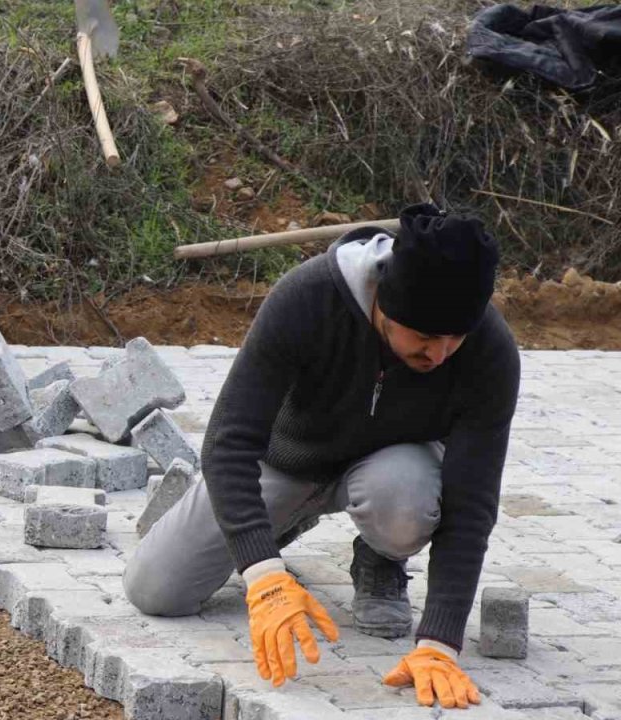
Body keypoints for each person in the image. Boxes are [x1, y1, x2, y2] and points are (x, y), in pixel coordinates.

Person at [123, 204, 520, 710]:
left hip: (391, 474)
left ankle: (381, 555)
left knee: (405, 498)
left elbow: (473, 501)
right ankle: (278, 528)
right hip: (288, 462)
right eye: (423, 337)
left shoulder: (489, 350)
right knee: (156, 590)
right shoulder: (307, 297)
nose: (440, 355)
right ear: (384, 303)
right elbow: (228, 441)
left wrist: (439, 644)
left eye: (453, 340)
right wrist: (263, 574)